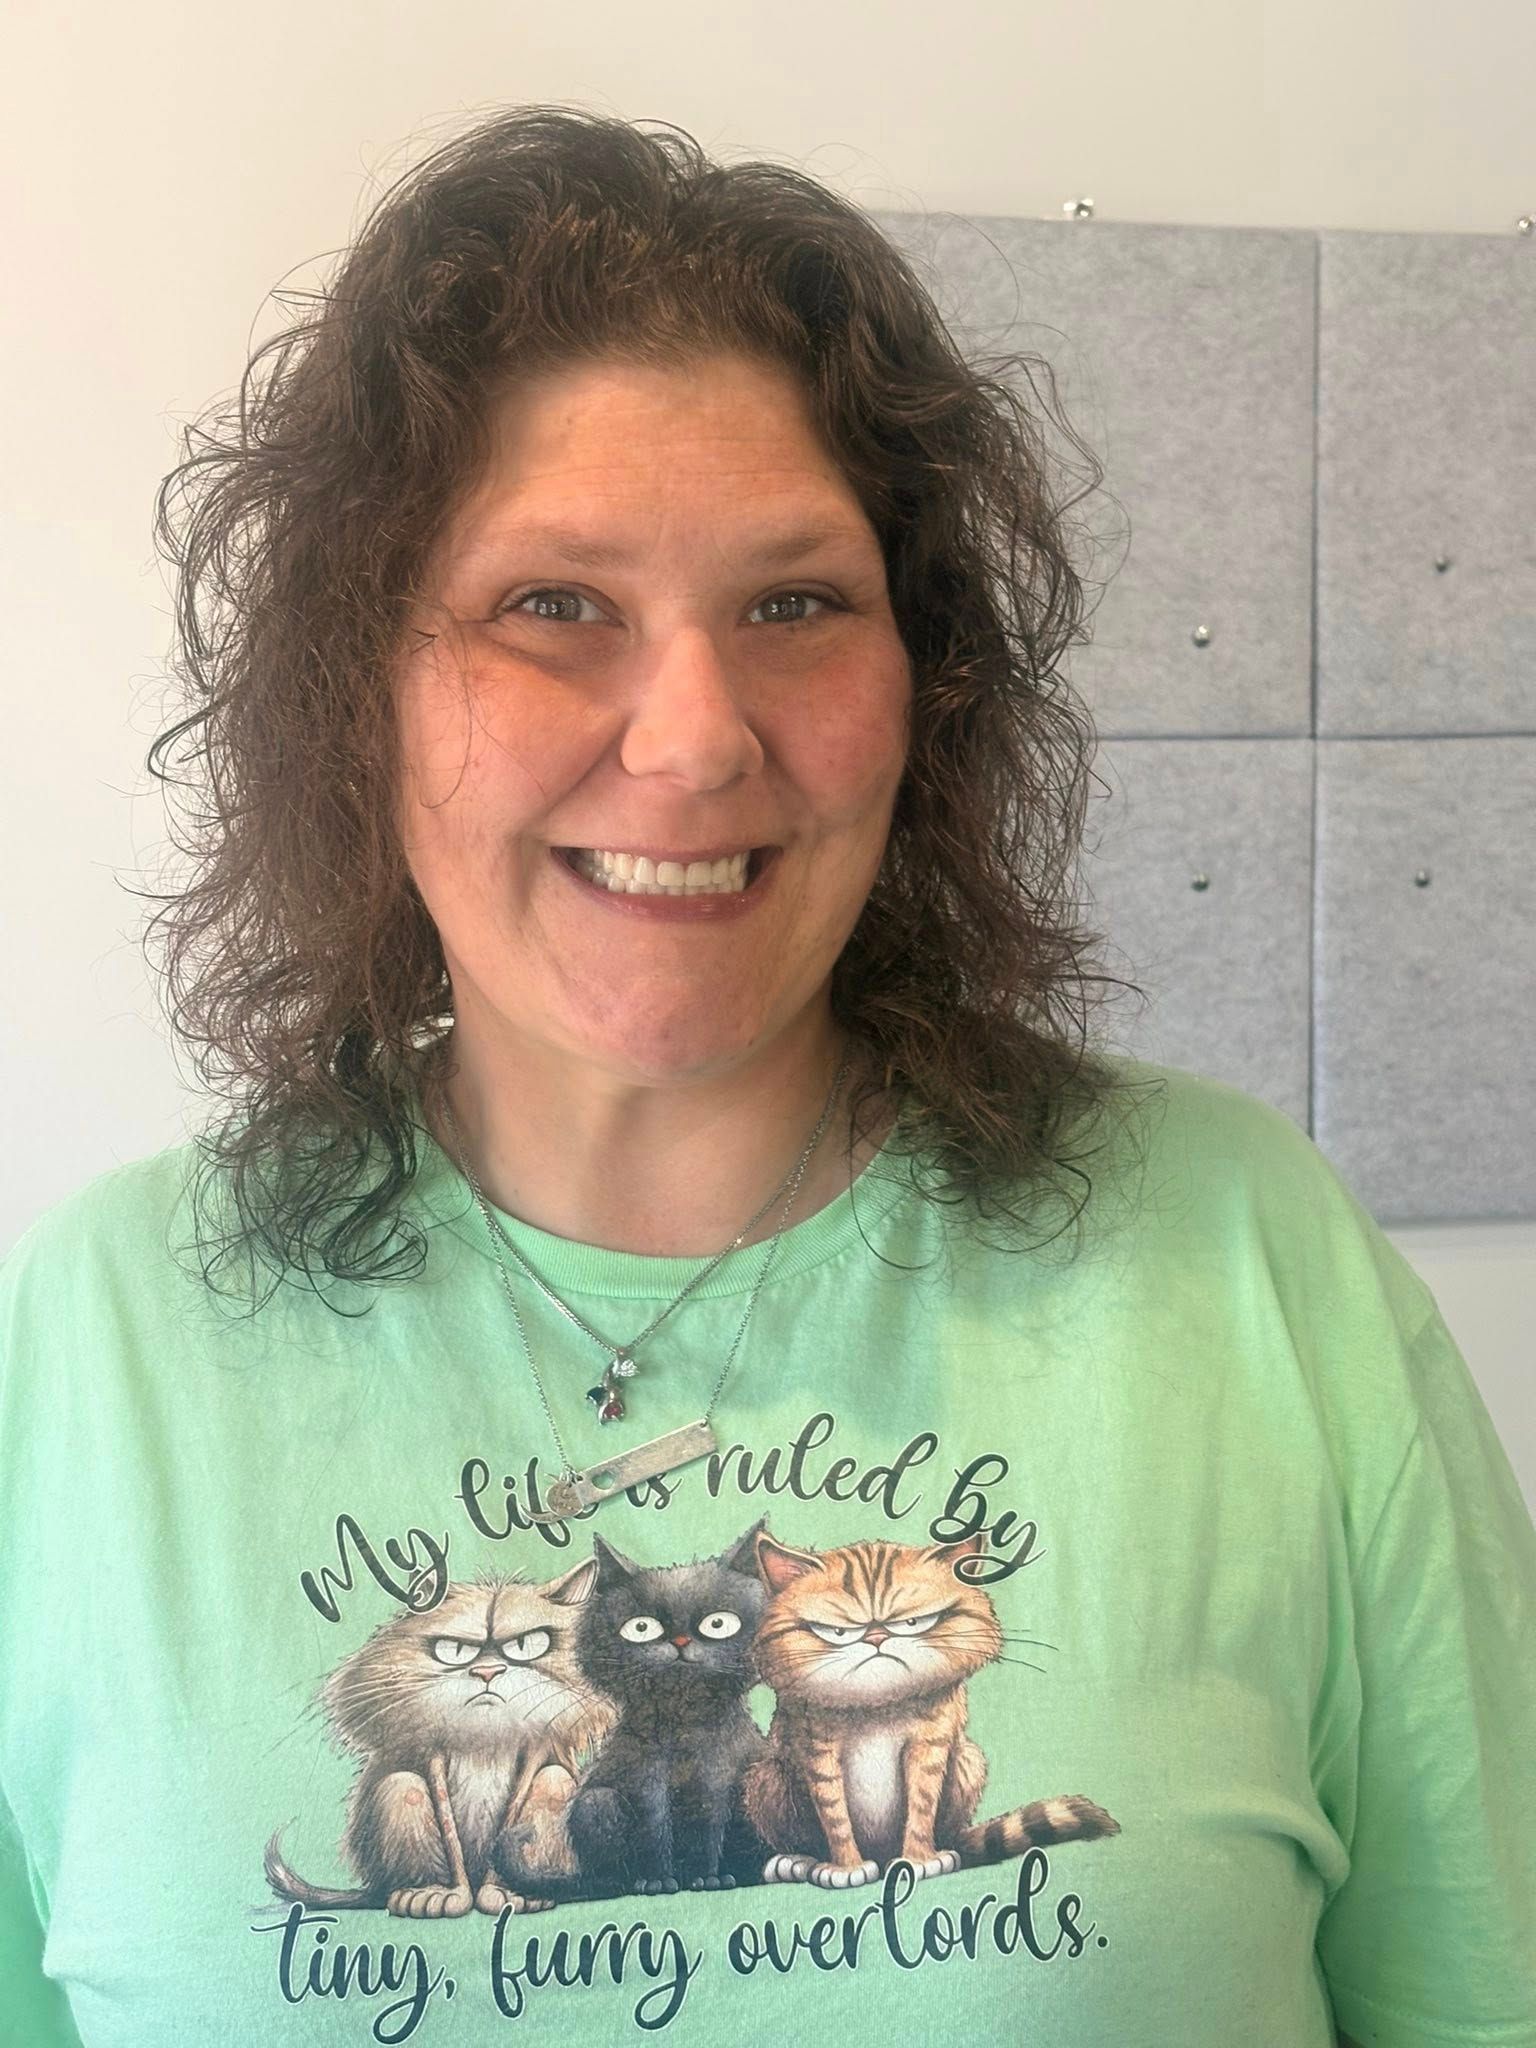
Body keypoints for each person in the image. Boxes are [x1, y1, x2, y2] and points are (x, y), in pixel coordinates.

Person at [1, 107, 1532, 2048]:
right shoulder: (96, 1340)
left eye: (795, 603)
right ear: (357, 685)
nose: (694, 736)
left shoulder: (1251, 1260)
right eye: (552, 604)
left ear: (927, 685)